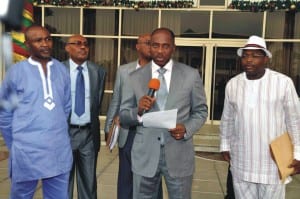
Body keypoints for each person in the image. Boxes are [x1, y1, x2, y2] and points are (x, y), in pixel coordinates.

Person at [119, 27, 208, 198]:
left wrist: (187, 128)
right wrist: (137, 111)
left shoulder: (190, 75)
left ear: (173, 47)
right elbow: (123, 114)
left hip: (178, 153)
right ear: (149, 46)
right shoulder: (134, 77)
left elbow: (201, 111)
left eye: (165, 46)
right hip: (145, 155)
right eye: (155, 45)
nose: (160, 51)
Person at [220, 35, 300, 199]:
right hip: (242, 160)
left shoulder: (283, 83)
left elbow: (295, 121)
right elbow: (227, 119)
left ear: (266, 59)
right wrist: (224, 144)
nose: (249, 60)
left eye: (255, 56)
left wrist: (298, 154)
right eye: (245, 55)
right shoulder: (233, 84)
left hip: (272, 162)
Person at [0, 25, 72, 199]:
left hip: (58, 151)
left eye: (48, 39)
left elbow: (66, 107)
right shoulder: (16, 72)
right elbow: (5, 115)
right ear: (27, 45)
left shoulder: (62, 70)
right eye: (38, 40)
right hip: (26, 152)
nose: (45, 44)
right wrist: (16, 145)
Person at [104, 33, 155, 199]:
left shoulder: (160, 73)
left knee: (148, 182)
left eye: (152, 43)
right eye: (147, 43)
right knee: (125, 180)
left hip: (150, 134)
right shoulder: (124, 70)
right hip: (127, 133)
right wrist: (108, 127)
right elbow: (116, 100)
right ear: (137, 46)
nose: (151, 46)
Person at [63, 34, 106, 199]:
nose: (83, 47)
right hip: (64, 134)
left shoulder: (99, 72)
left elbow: (97, 103)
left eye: (86, 44)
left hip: (88, 134)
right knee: (63, 182)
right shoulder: (58, 70)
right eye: (78, 43)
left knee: (89, 184)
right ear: (67, 47)